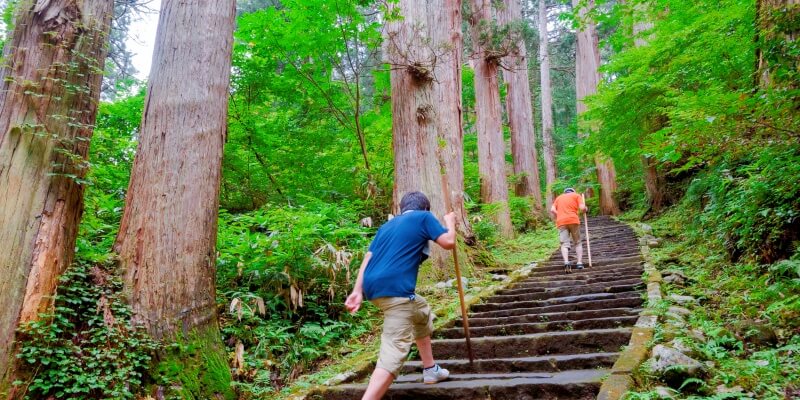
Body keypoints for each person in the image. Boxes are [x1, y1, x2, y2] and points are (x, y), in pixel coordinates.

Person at [345, 191, 457, 400]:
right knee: (393, 354)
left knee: (421, 312)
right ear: (425, 208)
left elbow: (368, 258)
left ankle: (430, 369)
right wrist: (450, 222)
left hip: (375, 289)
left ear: (401, 209)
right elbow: (449, 242)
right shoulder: (424, 217)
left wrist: (357, 291)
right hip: (397, 294)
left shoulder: (386, 226)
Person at [550, 187, 588, 273]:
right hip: (573, 220)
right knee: (577, 242)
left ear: (565, 192)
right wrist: (586, 208)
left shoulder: (559, 198)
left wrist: (559, 214)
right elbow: (582, 208)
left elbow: (552, 209)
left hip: (561, 221)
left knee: (564, 244)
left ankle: (566, 262)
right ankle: (579, 263)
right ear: (573, 191)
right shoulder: (576, 196)